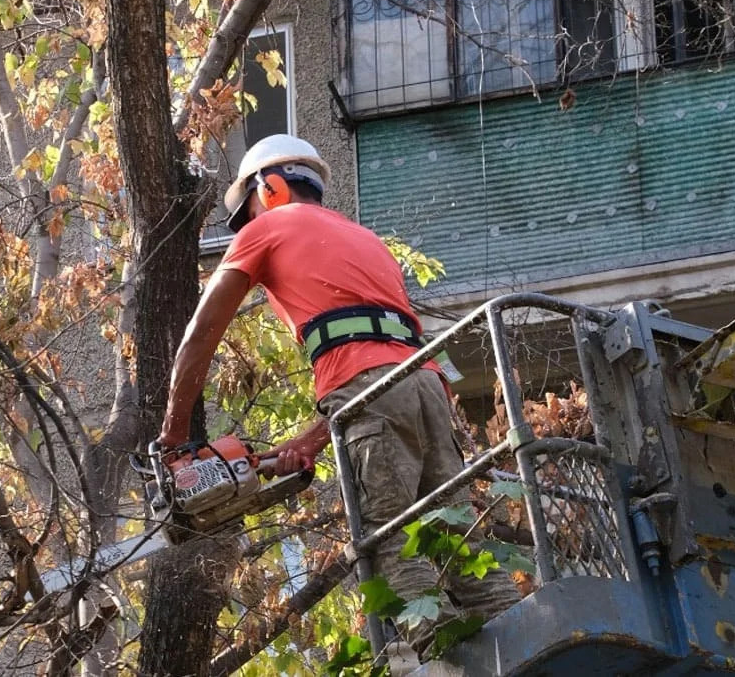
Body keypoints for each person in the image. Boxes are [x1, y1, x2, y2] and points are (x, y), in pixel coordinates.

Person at [157, 134, 519, 660]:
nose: (248, 225)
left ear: (270, 186)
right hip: (427, 385)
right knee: (455, 539)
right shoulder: (365, 239)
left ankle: (445, 659)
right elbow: (377, 365)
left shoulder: (269, 228)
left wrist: (172, 439)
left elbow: (200, 335)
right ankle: (525, 640)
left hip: (369, 393)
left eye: (249, 212)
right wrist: (312, 438)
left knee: (387, 536)